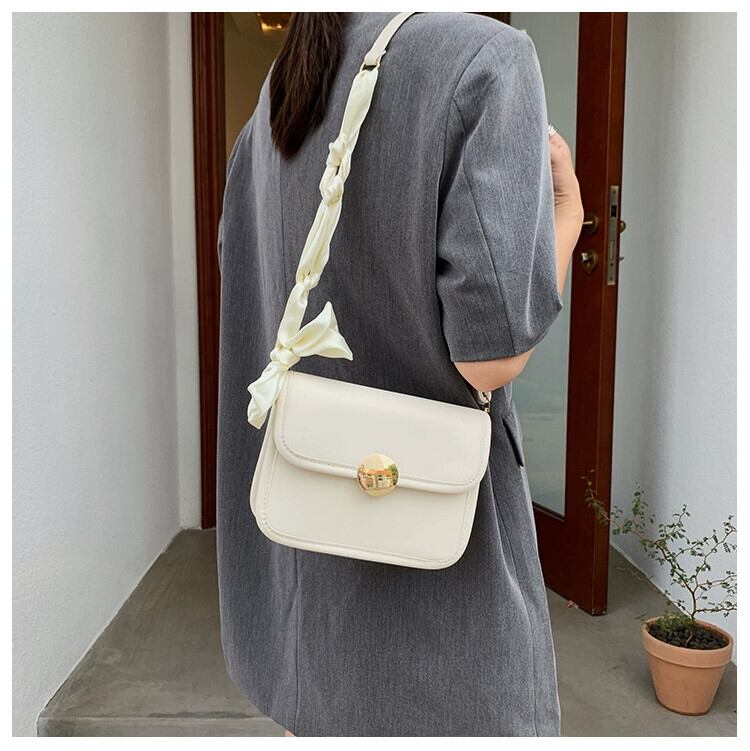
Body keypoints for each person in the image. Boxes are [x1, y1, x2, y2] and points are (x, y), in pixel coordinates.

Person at [216, 11, 583, 737]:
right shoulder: (487, 59)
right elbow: (490, 356)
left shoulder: (280, 91)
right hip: (432, 619)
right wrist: (565, 219)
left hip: (303, 597)